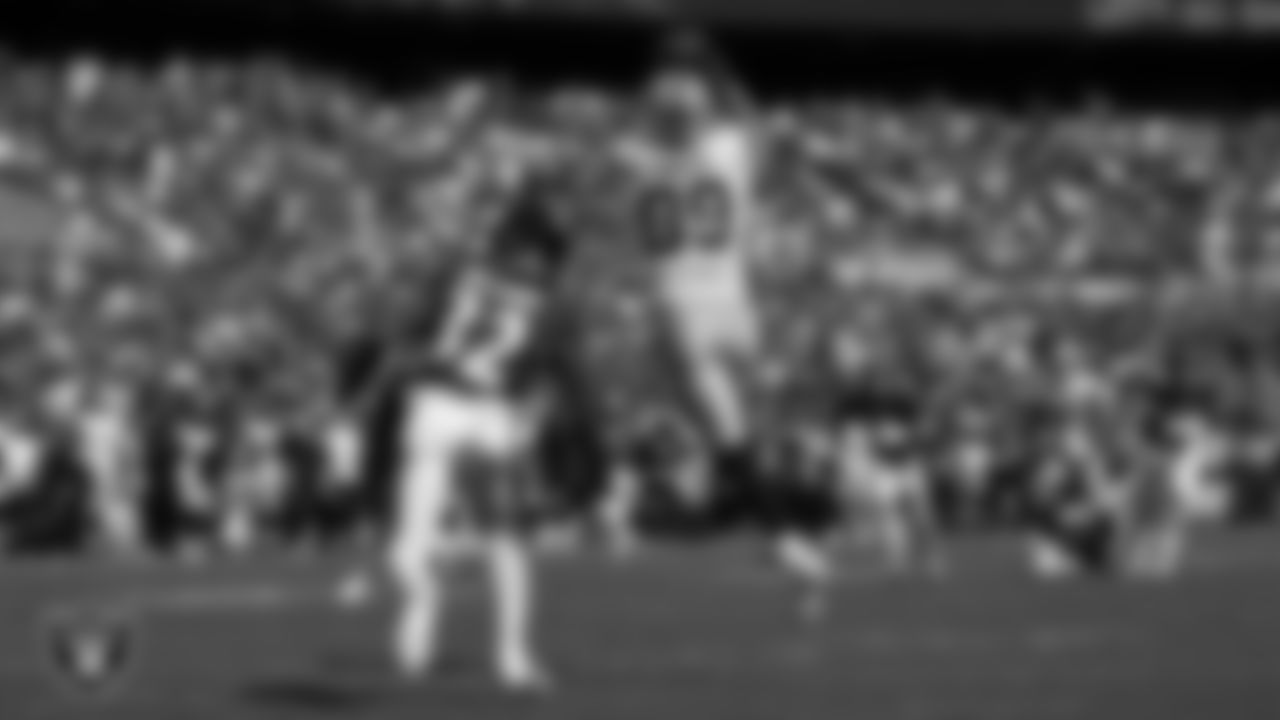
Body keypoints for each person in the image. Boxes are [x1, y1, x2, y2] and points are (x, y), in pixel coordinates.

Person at [382, 176, 569, 691]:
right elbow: (544, 371)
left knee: (423, 548)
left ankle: (436, 596)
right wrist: (531, 418)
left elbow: (411, 338)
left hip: (439, 405)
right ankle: (509, 655)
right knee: (501, 540)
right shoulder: (545, 302)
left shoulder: (457, 274)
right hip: (483, 410)